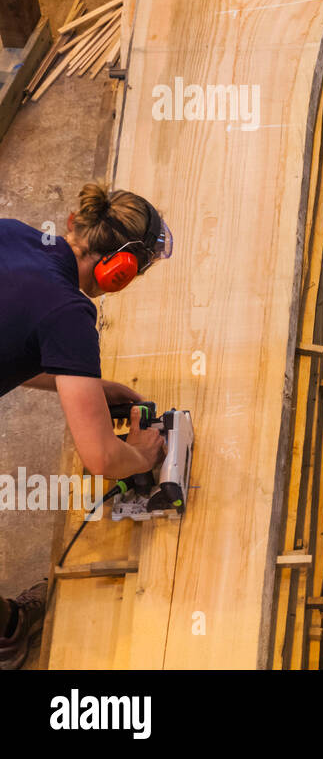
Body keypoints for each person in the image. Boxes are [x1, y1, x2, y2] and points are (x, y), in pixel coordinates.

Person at [0, 183, 173, 668]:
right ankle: (8, 636)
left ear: (75, 222)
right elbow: (100, 457)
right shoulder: (69, 312)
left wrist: (82, 381)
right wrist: (140, 453)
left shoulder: (14, 235)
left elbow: (12, 342)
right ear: (119, 272)